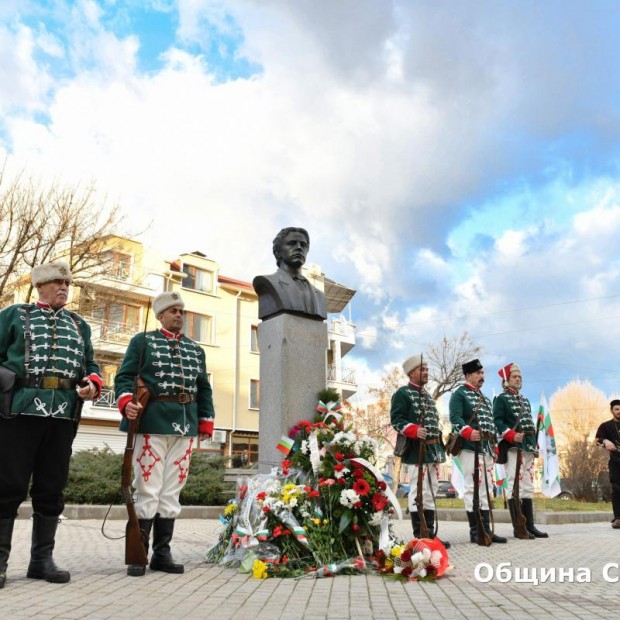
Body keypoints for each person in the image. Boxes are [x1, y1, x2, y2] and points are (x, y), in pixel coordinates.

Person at [0, 261, 102, 588]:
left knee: (52, 488)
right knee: (8, 486)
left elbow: (91, 364)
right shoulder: (14, 315)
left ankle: (41, 561)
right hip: (19, 413)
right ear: (40, 285)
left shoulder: (79, 324)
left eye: (66, 283)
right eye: (57, 282)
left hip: (63, 415)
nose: (63, 287)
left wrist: (91, 384)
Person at [115, 291, 215, 576]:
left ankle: (162, 553)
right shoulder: (142, 342)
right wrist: (125, 402)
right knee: (148, 487)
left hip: (186, 426)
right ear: (160, 315)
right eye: (173, 311)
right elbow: (123, 377)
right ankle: (139, 552)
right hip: (152, 423)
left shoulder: (196, 350)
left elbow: (203, 388)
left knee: (172, 490)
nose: (179, 315)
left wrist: (206, 420)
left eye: (181, 311)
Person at [390, 354, 451, 548]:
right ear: (412, 373)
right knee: (418, 493)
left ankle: (430, 534)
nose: (426, 372)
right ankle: (420, 536)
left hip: (432, 451)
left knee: (430, 493)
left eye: (426, 369)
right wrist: (414, 430)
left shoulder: (427, 396)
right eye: (422, 370)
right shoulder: (402, 394)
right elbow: (397, 420)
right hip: (416, 451)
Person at [449, 359, 507, 544]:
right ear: (468, 375)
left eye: (482, 373)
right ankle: (475, 531)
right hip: (469, 448)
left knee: (486, 489)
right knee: (472, 488)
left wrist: (495, 447)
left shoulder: (484, 398)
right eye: (478, 373)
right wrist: (467, 432)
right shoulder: (459, 394)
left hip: (486, 449)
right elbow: (455, 418)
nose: (482, 376)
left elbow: (490, 424)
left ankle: (486, 529)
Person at [493, 363, 547, 538]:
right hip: (513, 446)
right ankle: (519, 527)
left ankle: (529, 525)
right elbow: (497, 421)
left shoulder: (524, 400)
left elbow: (528, 423)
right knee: (514, 485)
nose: (518, 379)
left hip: (528, 445)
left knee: (527, 485)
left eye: (519, 377)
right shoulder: (501, 399)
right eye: (514, 377)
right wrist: (510, 434)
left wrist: (534, 443)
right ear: (506, 380)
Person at [252, 227, 326, 321]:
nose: (299, 247)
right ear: (278, 252)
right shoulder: (266, 283)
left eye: (303, 245)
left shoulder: (319, 295)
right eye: (292, 243)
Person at [595, 400, 620, 529]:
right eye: (616, 409)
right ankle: (618, 518)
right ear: (612, 410)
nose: (619, 411)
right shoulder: (605, 426)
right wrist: (605, 441)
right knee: (616, 490)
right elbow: (597, 440)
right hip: (616, 462)